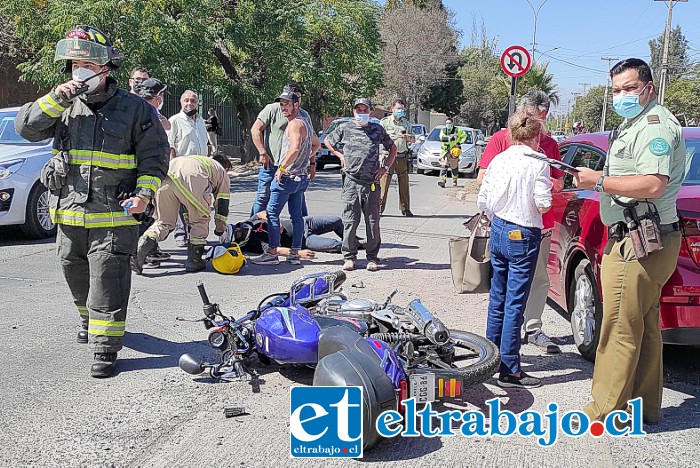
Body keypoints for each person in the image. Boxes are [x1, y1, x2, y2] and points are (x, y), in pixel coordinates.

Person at [14, 25, 169, 378]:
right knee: (74, 272)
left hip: (114, 215)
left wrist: (144, 195)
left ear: (105, 67)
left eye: (85, 64)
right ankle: (90, 321)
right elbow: (26, 128)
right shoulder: (62, 105)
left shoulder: (135, 110)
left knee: (107, 278)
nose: (78, 71)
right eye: (72, 64)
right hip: (69, 212)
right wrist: (57, 97)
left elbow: (155, 157)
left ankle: (106, 348)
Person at [574, 58, 686, 424]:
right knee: (644, 325)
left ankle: (604, 410)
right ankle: (643, 407)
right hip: (647, 238)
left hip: (637, 242)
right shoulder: (635, 124)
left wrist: (598, 181)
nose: (622, 95)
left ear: (649, 87)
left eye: (629, 88)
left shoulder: (653, 127)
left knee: (619, 326)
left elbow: (654, 184)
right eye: (617, 90)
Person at [477, 90, 565, 354]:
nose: (535, 127)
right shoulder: (501, 140)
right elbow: (482, 178)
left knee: (535, 281)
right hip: (517, 224)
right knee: (509, 294)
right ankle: (507, 360)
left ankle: (530, 330)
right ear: (520, 114)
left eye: (541, 121)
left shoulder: (549, 145)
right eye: (531, 119)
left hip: (536, 225)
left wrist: (546, 184)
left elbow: (559, 182)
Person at [324, 98, 397, 272]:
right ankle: (349, 257)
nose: (361, 113)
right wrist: (340, 156)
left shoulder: (377, 129)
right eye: (358, 110)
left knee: (372, 222)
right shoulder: (345, 128)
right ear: (353, 112)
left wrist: (385, 168)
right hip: (351, 182)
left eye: (365, 110)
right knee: (350, 221)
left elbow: (393, 148)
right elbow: (328, 141)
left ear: (370, 112)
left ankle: (372, 257)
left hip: (371, 183)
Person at [251, 86, 319, 266]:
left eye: (287, 104)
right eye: (282, 104)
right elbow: (316, 144)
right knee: (296, 216)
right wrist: (307, 161)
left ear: (297, 104)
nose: (283, 108)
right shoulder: (303, 122)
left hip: (288, 177)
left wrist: (282, 168)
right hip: (300, 177)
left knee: (272, 212)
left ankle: (272, 253)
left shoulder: (296, 123)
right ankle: (294, 253)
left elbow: (295, 147)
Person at [131, 154, 232, 274]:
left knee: (163, 222)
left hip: (166, 176)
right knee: (200, 221)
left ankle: (141, 248)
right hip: (191, 178)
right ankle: (195, 261)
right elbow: (222, 203)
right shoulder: (221, 172)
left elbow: (185, 203)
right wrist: (220, 229)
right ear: (225, 167)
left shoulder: (200, 160)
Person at [250, 81, 318, 216]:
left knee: (298, 203)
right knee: (263, 197)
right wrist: (262, 152)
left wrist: (311, 162)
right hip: (271, 164)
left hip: (294, 169)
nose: (295, 100)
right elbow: (255, 129)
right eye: (291, 97)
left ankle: (304, 233)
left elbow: (312, 140)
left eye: (297, 97)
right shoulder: (273, 109)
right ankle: (254, 229)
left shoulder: (304, 116)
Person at [167, 90, 209, 247]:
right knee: (181, 203)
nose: (189, 103)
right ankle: (180, 233)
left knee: (196, 203)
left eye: (193, 100)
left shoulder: (200, 121)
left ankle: (194, 233)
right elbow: (170, 146)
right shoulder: (175, 121)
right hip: (182, 169)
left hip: (200, 170)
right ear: (181, 102)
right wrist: (172, 168)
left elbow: (205, 144)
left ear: (197, 103)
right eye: (186, 100)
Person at [226, 211, 355, 258]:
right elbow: (276, 250)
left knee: (336, 221)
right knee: (337, 245)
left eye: (236, 227)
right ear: (237, 242)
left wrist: (274, 221)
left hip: (304, 223)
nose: (239, 229)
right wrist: (298, 253)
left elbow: (262, 213)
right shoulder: (253, 244)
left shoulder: (248, 222)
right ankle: (357, 245)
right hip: (303, 240)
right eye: (237, 234)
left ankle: (354, 240)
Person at [380, 99, 415, 217]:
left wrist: (409, 138)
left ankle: (406, 209)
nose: (400, 111)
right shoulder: (385, 122)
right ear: (392, 109)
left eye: (402, 109)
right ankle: (379, 208)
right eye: (398, 108)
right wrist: (388, 138)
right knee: (384, 183)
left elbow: (414, 139)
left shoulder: (406, 124)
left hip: (402, 156)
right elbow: (378, 138)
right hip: (388, 156)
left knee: (404, 184)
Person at [437, 118, 467, 188]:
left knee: (454, 167)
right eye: (447, 123)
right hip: (445, 151)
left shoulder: (458, 130)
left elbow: (464, 136)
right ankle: (442, 181)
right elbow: (442, 138)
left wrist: (459, 142)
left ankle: (454, 180)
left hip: (454, 151)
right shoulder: (443, 130)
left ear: (452, 123)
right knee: (444, 166)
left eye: (449, 123)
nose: (448, 125)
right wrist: (450, 138)